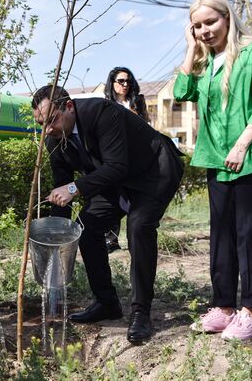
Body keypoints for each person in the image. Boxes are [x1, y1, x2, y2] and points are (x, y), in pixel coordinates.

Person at [32, 85, 183, 344]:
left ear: (69, 107)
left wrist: (74, 188)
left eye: (52, 120)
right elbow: (62, 187)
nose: (48, 129)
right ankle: (107, 303)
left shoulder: (101, 112)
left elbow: (116, 166)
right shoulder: (54, 140)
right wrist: (55, 237)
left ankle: (141, 313)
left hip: (153, 172)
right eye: (41, 124)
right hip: (115, 182)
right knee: (86, 229)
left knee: (139, 226)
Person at [174, 0, 252, 341]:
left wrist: (242, 143)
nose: (205, 30)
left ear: (228, 18)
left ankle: (249, 314)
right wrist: (191, 50)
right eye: (197, 26)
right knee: (221, 236)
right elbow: (182, 92)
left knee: (249, 235)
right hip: (217, 158)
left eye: (211, 22)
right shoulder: (207, 62)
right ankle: (223, 308)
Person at [103, 66, 150, 253]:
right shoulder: (106, 104)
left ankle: (135, 239)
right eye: (121, 81)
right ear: (112, 83)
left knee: (134, 200)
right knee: (114, 196)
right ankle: (111, 238)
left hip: (136, 156)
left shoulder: (137, 101)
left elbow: (146, 125)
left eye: (128, 81)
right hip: (115, 155)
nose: (125, 84)